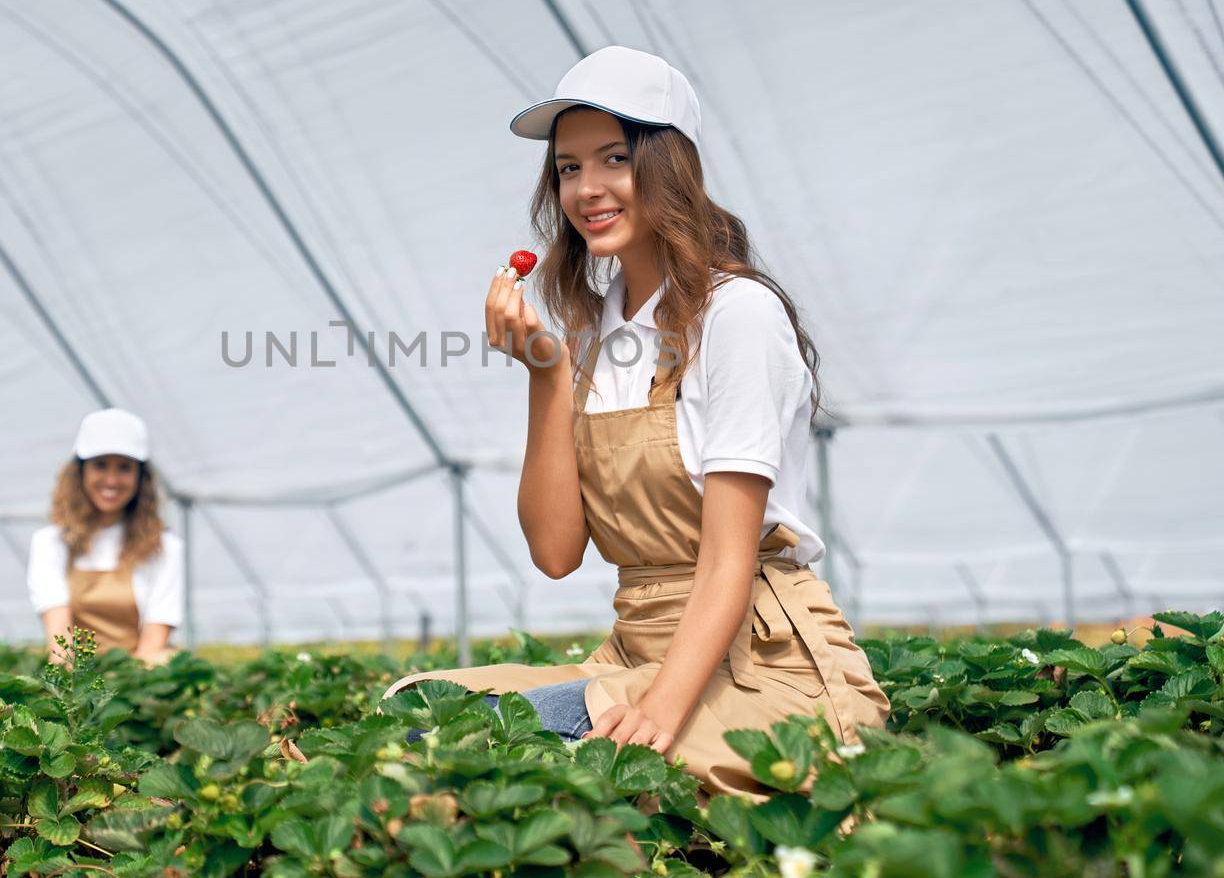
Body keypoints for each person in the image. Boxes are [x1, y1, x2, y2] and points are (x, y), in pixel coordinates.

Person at [381, 46, 890, 797]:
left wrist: (657, 711)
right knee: (411, 709)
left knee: (520, 748)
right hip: (633, 654)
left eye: (613, 158)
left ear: (669, 165)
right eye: (568, 168)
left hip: (764, 664)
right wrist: (548, 377)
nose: (587, 189)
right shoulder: (598, 337)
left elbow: (727, 559)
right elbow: (556, 552)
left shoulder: (736, 315)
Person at [27, 407, 182, 666]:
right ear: (81, 473)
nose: (111, 480)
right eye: (100, 466)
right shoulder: (50, 543)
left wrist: (122, 692)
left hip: (141, 675)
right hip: (77, 675)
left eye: (124, 468)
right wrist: (77, 694)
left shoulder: (164, 547)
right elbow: (59, 644)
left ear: (140, 477)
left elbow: (154, 638)